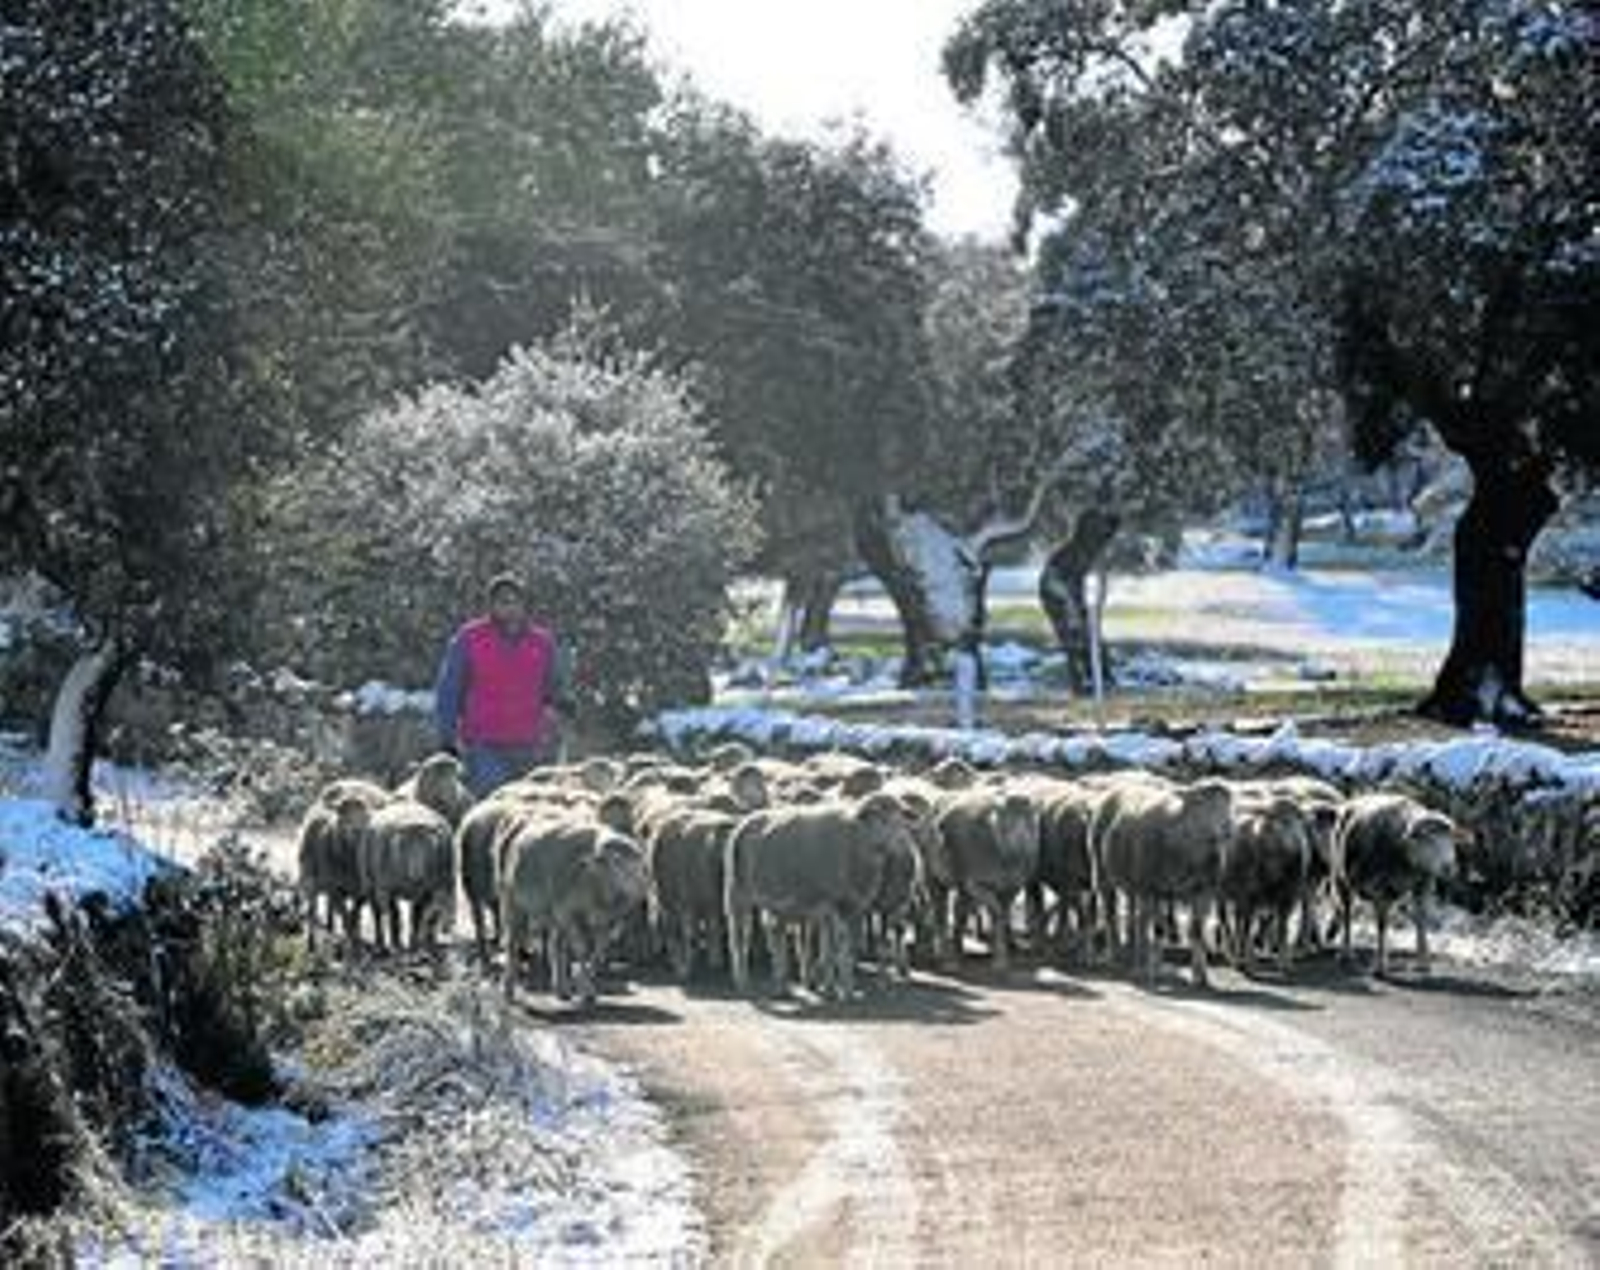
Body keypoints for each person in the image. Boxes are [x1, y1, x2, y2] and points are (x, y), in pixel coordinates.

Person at [433, 573, 571, 797]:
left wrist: (561, 703)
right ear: (491, 605)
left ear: (525, 604)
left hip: (531, 744)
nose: (509, 607)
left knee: (533, 808)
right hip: (484, 744)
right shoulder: (470, 638)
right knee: (493, 805)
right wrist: (446, 739)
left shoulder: (542, 642)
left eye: (515, 601)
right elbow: (449, 689)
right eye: (502, 601)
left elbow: (554, 685)